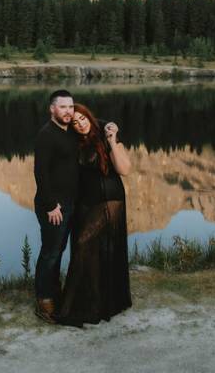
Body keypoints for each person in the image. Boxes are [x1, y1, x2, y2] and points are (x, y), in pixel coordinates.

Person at [56, 102, 132, 327]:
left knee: (83, 243)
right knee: (93, 253)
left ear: (89, 116)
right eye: (75, 122)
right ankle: (96, 303)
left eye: (83, 119)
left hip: (109, 200)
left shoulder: (105, 132)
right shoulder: (73, 142)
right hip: (86, 203)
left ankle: (80, 307)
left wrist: (112, 141)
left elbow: (125, 170)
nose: (80, 125)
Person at [32, 89, 79, 323]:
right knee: (50, 252)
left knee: (58, 250)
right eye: (63, 107)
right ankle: (44, 301)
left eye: (71, 107)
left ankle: (54, 292)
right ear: (52, 109)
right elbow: (41, 173)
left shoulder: (70, 132)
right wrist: (51, 205)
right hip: (53, 206)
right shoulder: (46, 135)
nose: (68, 111)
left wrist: (110, 125)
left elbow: (93, 124)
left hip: (69, 203)